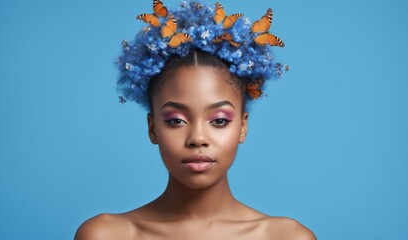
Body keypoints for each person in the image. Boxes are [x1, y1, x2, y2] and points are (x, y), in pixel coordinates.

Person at [75, 1, 316, 239]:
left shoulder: (287, 237)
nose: (198, 138)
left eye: (219, 120)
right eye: (176, 120)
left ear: (243, 127)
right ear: (152, 128)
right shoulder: (106, 235)